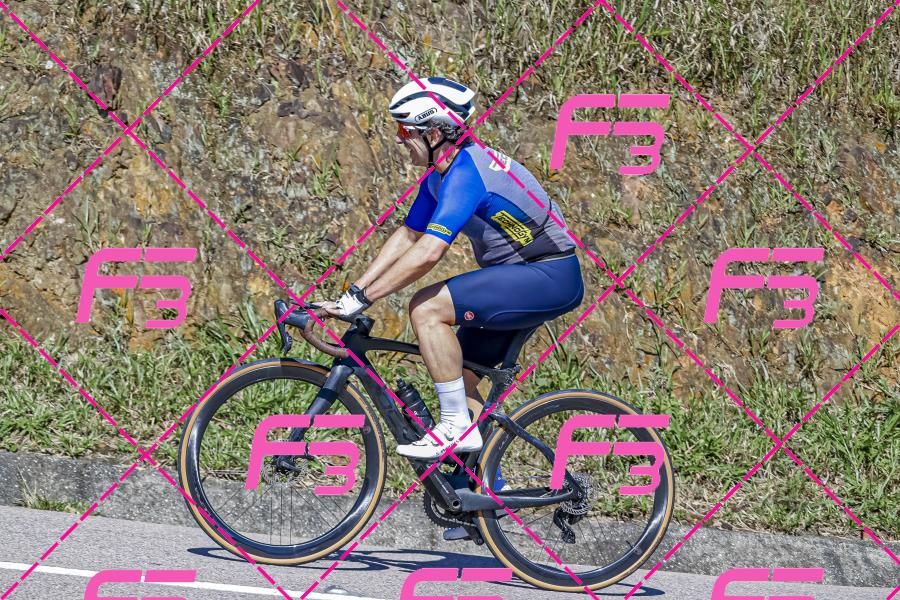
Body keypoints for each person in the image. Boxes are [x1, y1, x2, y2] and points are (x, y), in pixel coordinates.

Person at [319, 76, 584, 463]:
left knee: (426, 308)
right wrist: (353, 295)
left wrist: (364, 300)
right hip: (523, 277)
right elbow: (409, 235)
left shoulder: (467, 172)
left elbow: (429, 252)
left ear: (435, 133)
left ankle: (455, 425)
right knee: (463, 379)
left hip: (548, 275)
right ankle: (475, 490)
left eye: (405, 130)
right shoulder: (440, 176)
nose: (399, 139)